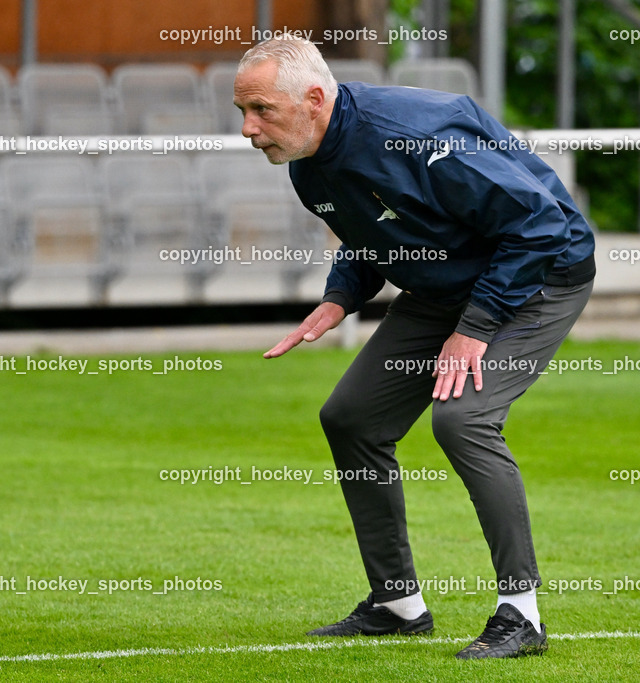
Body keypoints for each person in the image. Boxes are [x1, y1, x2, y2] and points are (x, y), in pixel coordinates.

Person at [234, 34, 596, 660]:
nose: (247, 128)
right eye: (242, 110)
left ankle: (522, 614)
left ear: (314, 99)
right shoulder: (305, 161)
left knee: (463, 421)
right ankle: (397, 603)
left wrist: (474, 329)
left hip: (541, 274)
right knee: (351, 419)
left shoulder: (421, 136)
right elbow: (369, 232)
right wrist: (340, 296)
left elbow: (538, 225)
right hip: (444, 284)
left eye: (261, 109)